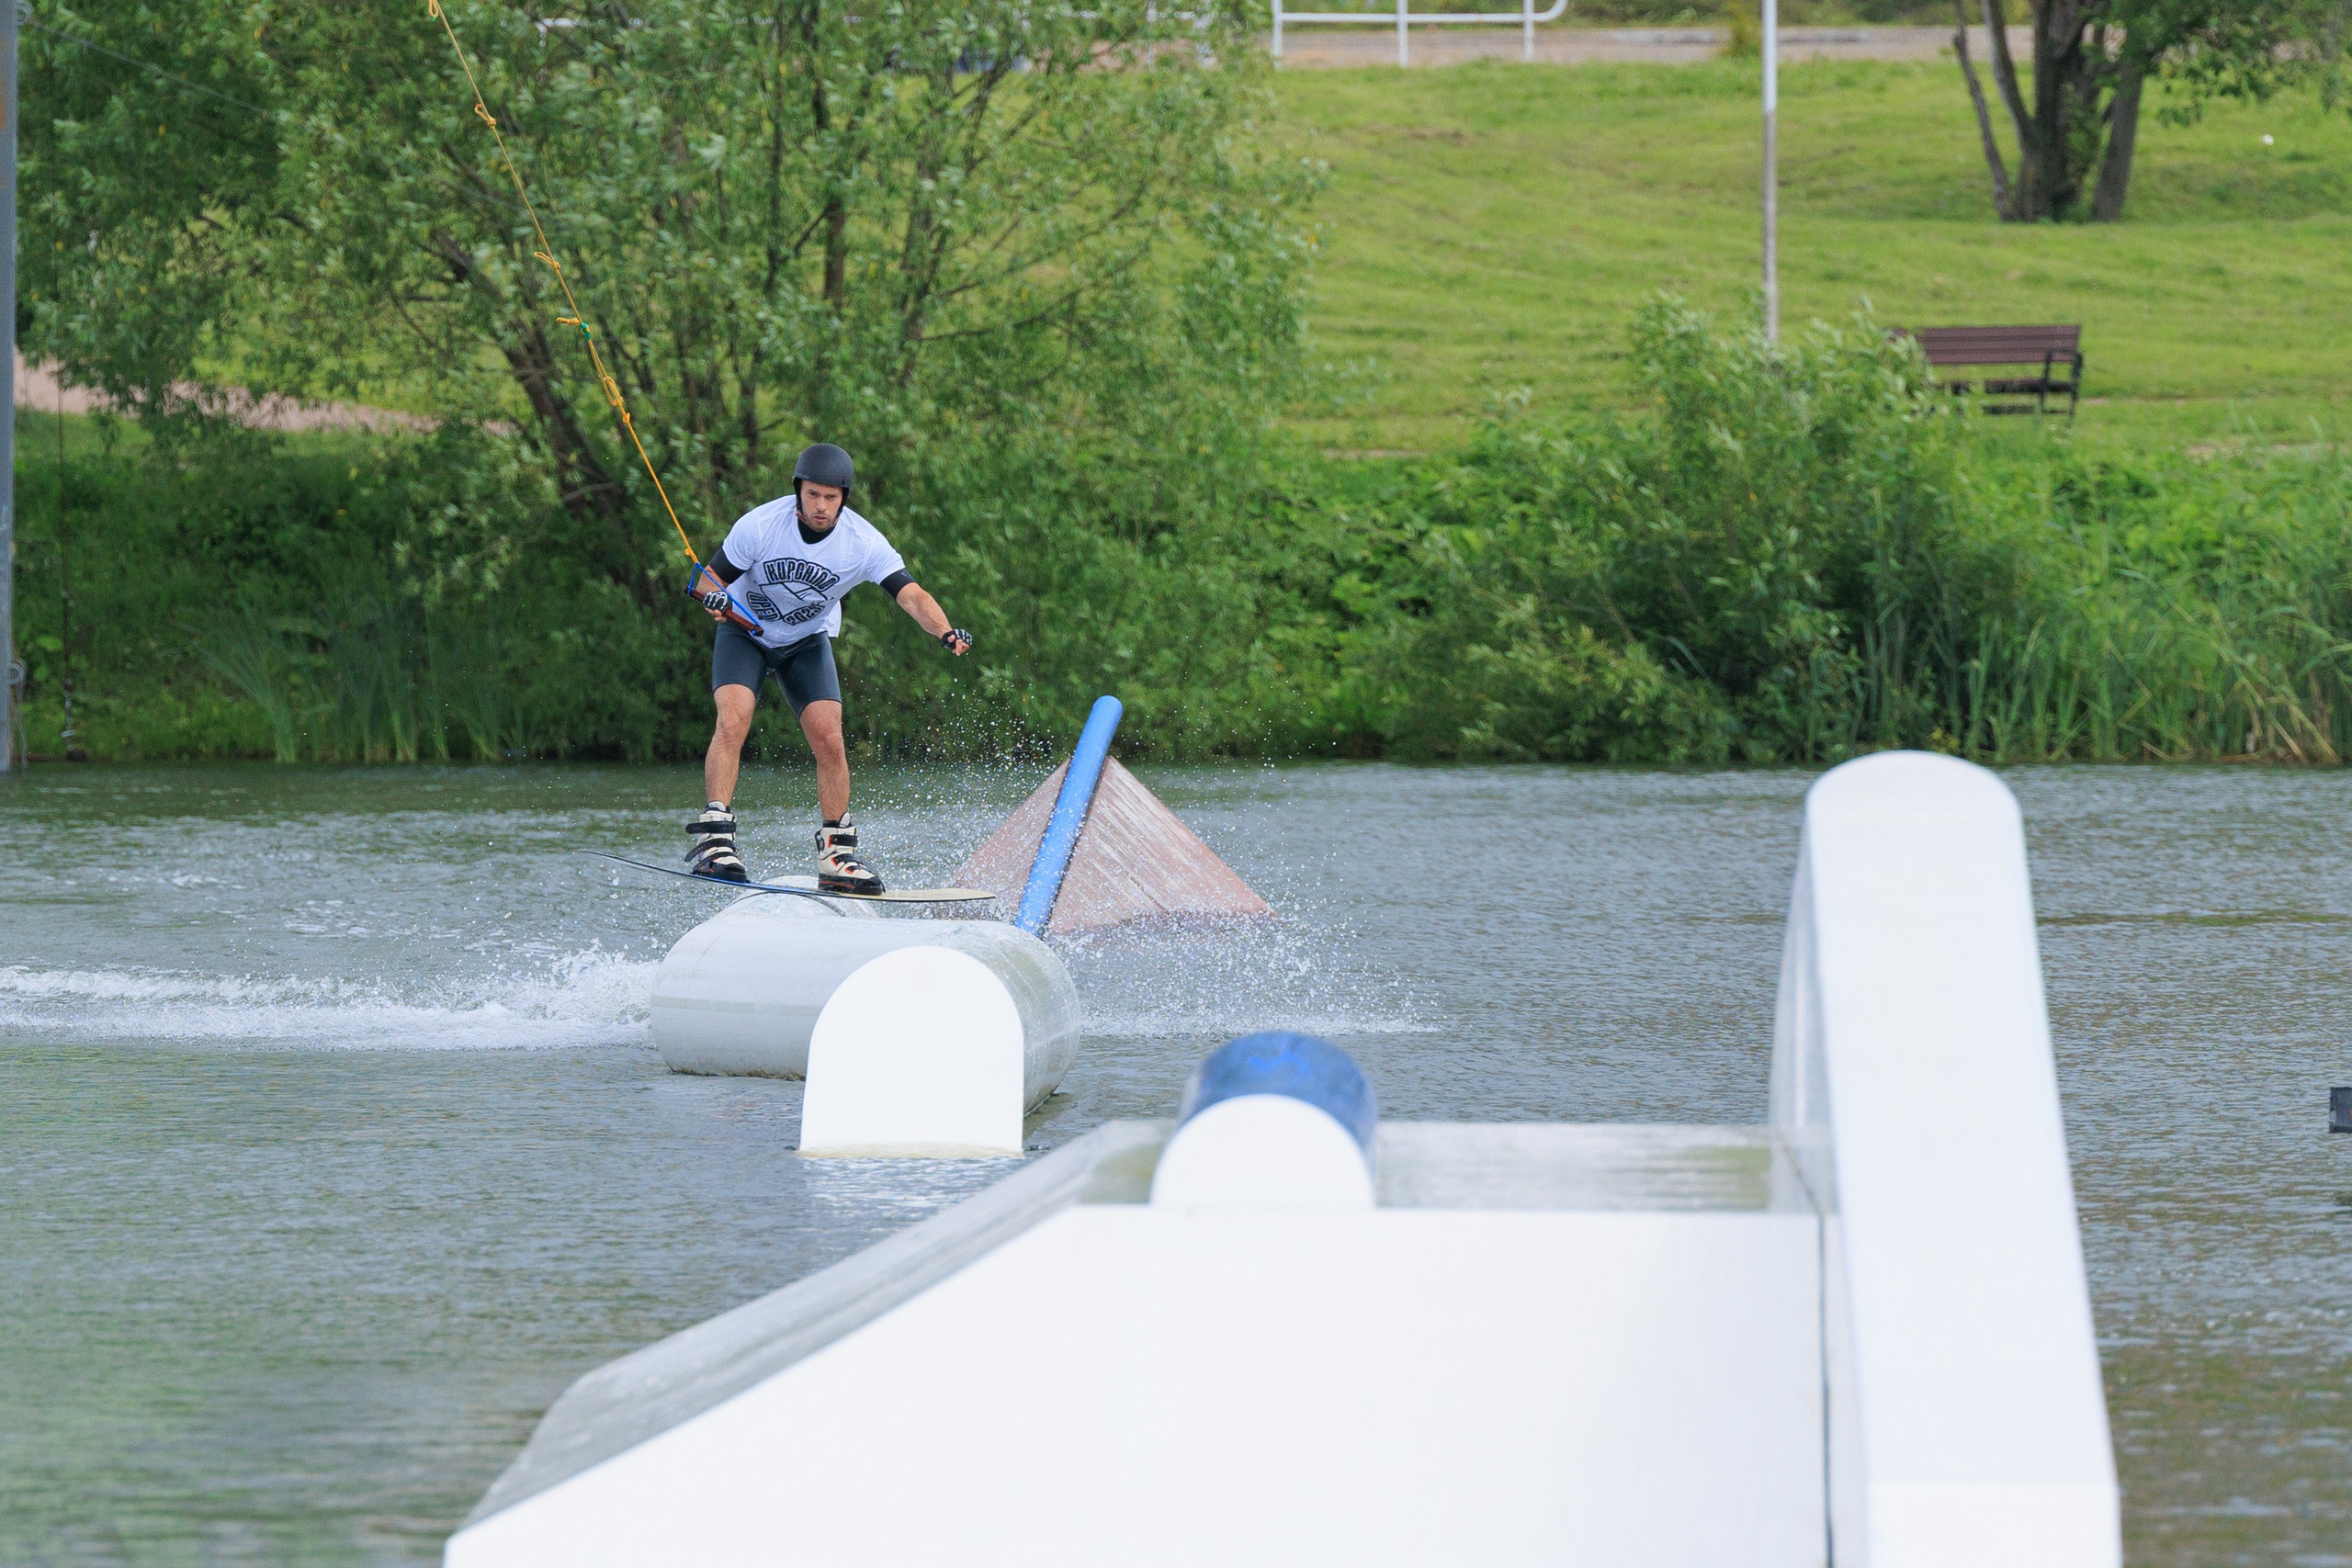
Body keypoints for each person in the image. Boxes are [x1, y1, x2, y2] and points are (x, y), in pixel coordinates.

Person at [685, 444, 970, 891]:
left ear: (844, 498)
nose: (821, 506)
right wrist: (714, 597)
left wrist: (946, 631)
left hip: (805, 642)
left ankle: (836, 857)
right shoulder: (760, 526)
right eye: (813, 495)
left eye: (831, 497)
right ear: (799, 491)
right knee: (734, 720)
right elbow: (706, 581)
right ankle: (716, 842)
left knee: (831, 738)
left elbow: (911, 594)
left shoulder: (862, 542)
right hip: (745, 634)